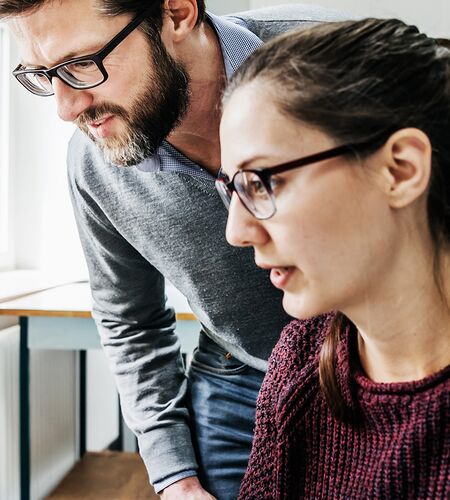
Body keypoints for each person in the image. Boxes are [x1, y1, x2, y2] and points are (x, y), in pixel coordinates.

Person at [1, 1, 350, 498]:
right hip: (240, 372)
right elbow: (129, 320)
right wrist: (173, 475)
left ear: (178, 12)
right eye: (43, 75)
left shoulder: (344, 62)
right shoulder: (95, 161)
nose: (65, 108)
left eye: (80, 64)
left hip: (390, 365)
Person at [217, 18, 450, 499]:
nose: (236, 231)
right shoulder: (301, 358)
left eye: (262, 182)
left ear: (400, 169)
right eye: (233, 189)